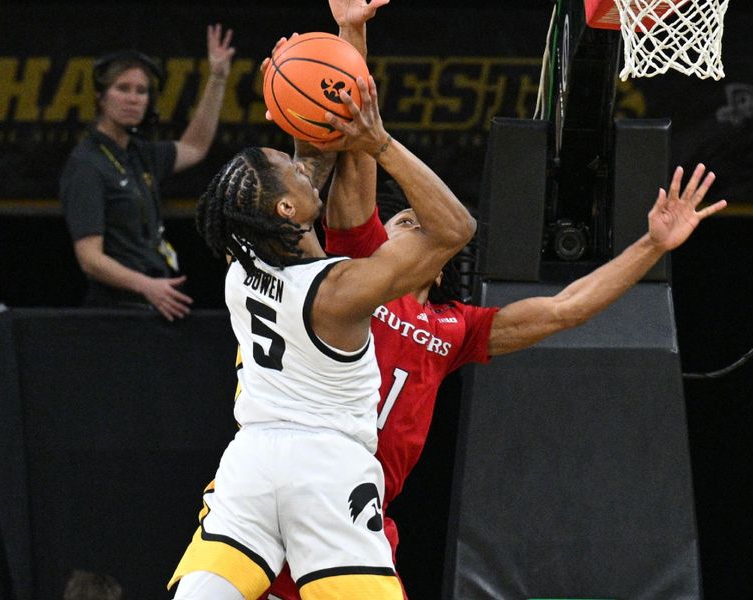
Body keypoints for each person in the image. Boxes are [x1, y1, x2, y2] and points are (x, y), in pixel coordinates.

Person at [251, 3, 729, 599]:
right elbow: (352, 138)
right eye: (400, 217)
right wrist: (352, 30)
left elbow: (566, 308)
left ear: (440, 261)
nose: (405, 223)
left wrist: (650, 246)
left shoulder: (455, 327)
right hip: (289, 480)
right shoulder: (361, 263)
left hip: (357, 506)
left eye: (415, 225)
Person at [166, 58, 476, 599]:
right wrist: (379, 142)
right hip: (327, 470)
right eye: (292, 171)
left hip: (252, 463)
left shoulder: (241, 265)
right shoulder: (341, 291)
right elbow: (457, 228)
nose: (302, 165)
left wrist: (334, 67)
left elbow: (316, 156)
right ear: (288, 208)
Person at [60, 24, 235, 321]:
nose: (133, 98)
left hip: (152, 302)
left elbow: (195, 147)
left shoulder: (139, 153)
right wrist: (146, 286)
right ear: (101, 97)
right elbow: (89, 258)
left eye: (141, 91)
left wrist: (217, 78)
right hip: (114, 310)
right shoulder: (86, 164)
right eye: (123, 88)